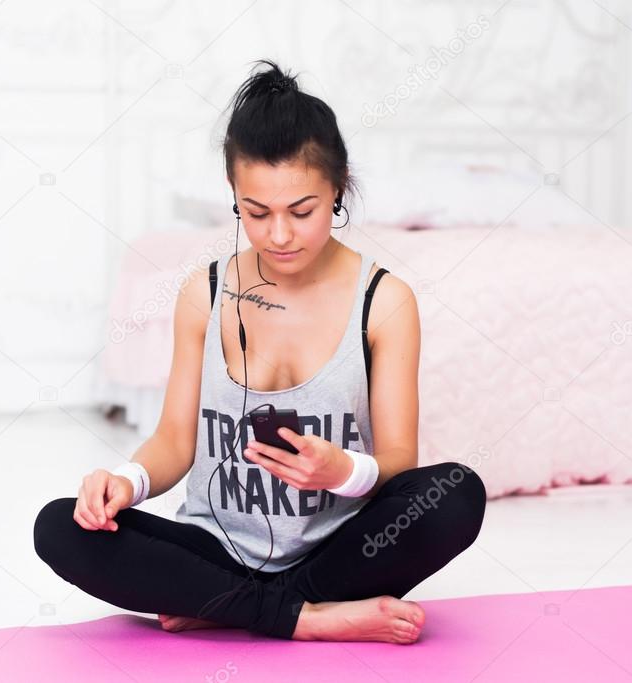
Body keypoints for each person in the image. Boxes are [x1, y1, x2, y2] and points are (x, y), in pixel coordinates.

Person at [32, 59, 486, 644]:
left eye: (302, 212)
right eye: (256, 212)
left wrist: (342, 471)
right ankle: (305, 617)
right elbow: (175, 442)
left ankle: (233, 609)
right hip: (215, 549)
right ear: (234, 196)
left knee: (457, 493)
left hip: (337, 553)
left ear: (338, 187)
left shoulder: (386, 301)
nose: (278, 236)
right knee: (58, 527)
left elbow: (398, 463)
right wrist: (127, 482)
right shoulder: (205, 292)